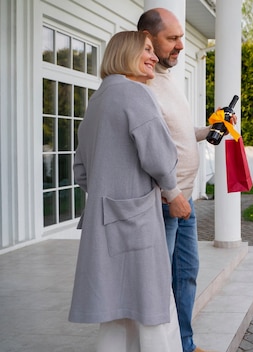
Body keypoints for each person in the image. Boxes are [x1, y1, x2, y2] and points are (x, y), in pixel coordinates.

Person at [69, 31, 182, 352]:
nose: (154, 57)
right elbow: (160, 156)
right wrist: (173, 193)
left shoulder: (98, 101)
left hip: (104, 220)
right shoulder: (136, 94)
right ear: (125, 54)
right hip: (137, 224)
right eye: (146, 49)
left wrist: (113, 189)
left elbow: (80, 171)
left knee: (117, 310)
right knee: (153, 306)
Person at [137, 8, 232, 352]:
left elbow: (176, 135)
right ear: (148, 39)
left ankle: (185, 345)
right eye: (172, 38)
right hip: (165, 202)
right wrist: (170, 191)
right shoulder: (142, 85)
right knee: (160, 284)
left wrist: (209, 130)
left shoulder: (168, 80)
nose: (180, 45)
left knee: (186, 277)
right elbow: (145, 149)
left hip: (185, 201)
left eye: (180, 37)